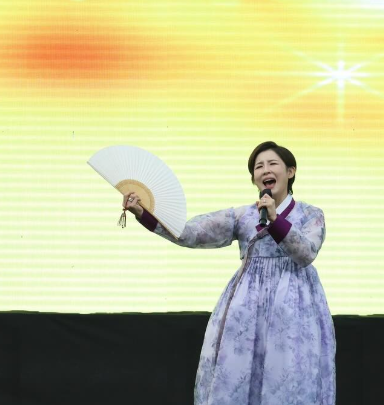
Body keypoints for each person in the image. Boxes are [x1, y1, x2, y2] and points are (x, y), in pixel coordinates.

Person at [123, 141, 336, 405]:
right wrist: (144, 213)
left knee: (289, 373)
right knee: (238, 372)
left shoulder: (311, 214)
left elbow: (306, 253)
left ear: (290, 172)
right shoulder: (243, 216)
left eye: (272, 164)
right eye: (258, 167)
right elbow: (192, 233)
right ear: (254, 178)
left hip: (295, 306)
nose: (265, 170)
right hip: (247, 305)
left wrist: (275, 220)